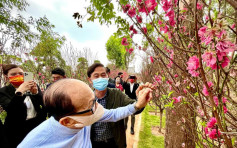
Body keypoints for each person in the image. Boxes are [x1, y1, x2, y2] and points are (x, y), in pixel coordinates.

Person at [18, 79, 153, 148]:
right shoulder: (35, 144)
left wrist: (138, 105)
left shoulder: (82, 118)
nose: (98, 107)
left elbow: (113, 114)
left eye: (95, 100)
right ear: (67, 121)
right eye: (91, 105)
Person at [87, 63, 154, 148]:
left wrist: (141, 99)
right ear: (90, 79)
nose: (100, 78)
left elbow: (134, 107)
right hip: (94, 143)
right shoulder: (86, 100)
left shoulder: (116, 94)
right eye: (96, 76)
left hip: (114, 142)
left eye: (103, 75)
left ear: (107, 76)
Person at [0, 64, 47, 148]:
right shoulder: (3, 92)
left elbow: (44, 103)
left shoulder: (33, 87)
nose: (18, 76)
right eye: (13, 74)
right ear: (6, 77)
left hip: (35, 126)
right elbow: (12, 110)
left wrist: (36, 93)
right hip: (16, 131)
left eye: (21, 73)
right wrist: (20, 92)